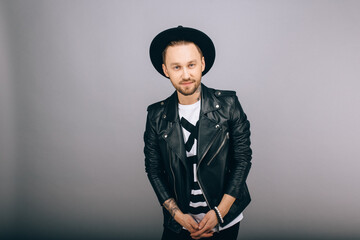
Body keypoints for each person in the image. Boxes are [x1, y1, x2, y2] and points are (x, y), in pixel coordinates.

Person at [144, 26, 252, 240]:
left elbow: (242, 159)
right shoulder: (156, 115)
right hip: (179, 224)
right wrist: (178, 216)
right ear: (166, 70)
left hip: (225, 220)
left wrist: (219, 213)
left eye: (191, 65)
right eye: (176, 67)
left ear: (202, 64)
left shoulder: (229, 105)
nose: (185, 74)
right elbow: (154, 170)